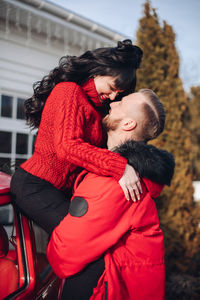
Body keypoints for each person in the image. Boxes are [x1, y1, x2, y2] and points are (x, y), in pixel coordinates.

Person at [47, 89, 175, 300]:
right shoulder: (127, 175)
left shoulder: (115, 184)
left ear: (128, 124)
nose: (112, 103)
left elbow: (64, 255)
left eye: (121, 103)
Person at [10, 39, 143, 235]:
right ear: (98, 72)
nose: (114, 96)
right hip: (34, 185)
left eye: (119, 93)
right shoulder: (69, 91)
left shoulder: (98, 110)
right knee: (81, 240)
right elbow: (67, 146)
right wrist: (119, 167)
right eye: (113, 87)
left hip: (62, 192)